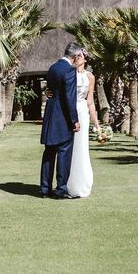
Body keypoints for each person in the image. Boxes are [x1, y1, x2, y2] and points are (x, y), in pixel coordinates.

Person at [40, 42, 83, 199]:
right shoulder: (69, 70)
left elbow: (49, 89)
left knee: (49, 152)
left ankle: (44, 189)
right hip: (63, 118)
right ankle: (60, 190)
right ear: (75, 56)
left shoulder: (53, 67)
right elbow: (69, 98)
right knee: (64, 152)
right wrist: (74, 120)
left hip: (51, 114)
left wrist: (47, 92)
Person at [66, 49, 100, 198]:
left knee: (81, 148)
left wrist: (96, 124)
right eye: (75, 55)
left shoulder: (90, 77)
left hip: (83, 114)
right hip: (68, 113)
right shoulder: (68, 73)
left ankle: (81, 184)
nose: (76, 58)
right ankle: (66, 184)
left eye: (79, 56)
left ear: (85, 59)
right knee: (69, 149)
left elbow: (90, 102)